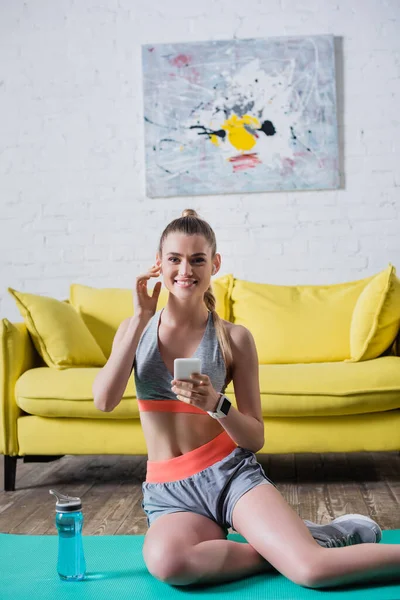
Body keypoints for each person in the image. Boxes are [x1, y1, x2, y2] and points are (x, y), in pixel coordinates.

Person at [93, 209, 400, 590]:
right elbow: (104, 400)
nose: (185, 269)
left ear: (214, 264)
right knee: (170, 564)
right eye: (174, 259)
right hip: (170, 491)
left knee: (312, 571)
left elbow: (254, 438)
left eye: (197, 259)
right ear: (159, 264)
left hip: (231, 476)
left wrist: (216, 404)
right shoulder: (134, 327)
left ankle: (298, 549)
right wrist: (141, 317)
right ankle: (289, 545)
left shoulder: (234, 338)